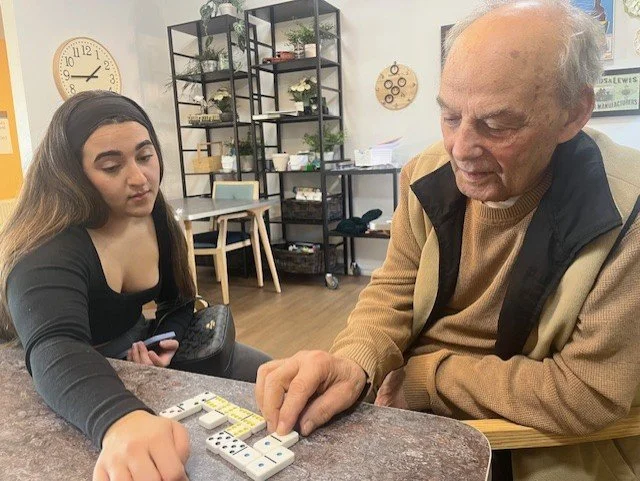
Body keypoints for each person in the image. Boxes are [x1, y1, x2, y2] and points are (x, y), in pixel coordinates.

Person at [254, 1, 640, 480]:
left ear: (574, 113)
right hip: (410, 407)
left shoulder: (624, 212)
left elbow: (590, 392)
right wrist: (353, 362)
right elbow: (392, 290)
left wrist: (428, 379)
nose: (461, 150)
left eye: (497, 124)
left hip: (536, 433)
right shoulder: (425, 172)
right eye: (451, 116)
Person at [0, 90, 270, 481]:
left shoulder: (153, 213)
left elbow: (178, 300)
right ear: (72, 175)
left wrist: (166, 337)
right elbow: (55, 346)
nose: (140, 178)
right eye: (111, 166)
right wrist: (120, 420)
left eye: (145, 156)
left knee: (270, 373)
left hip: (136, 343)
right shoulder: (46, 250)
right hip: (52, 371)